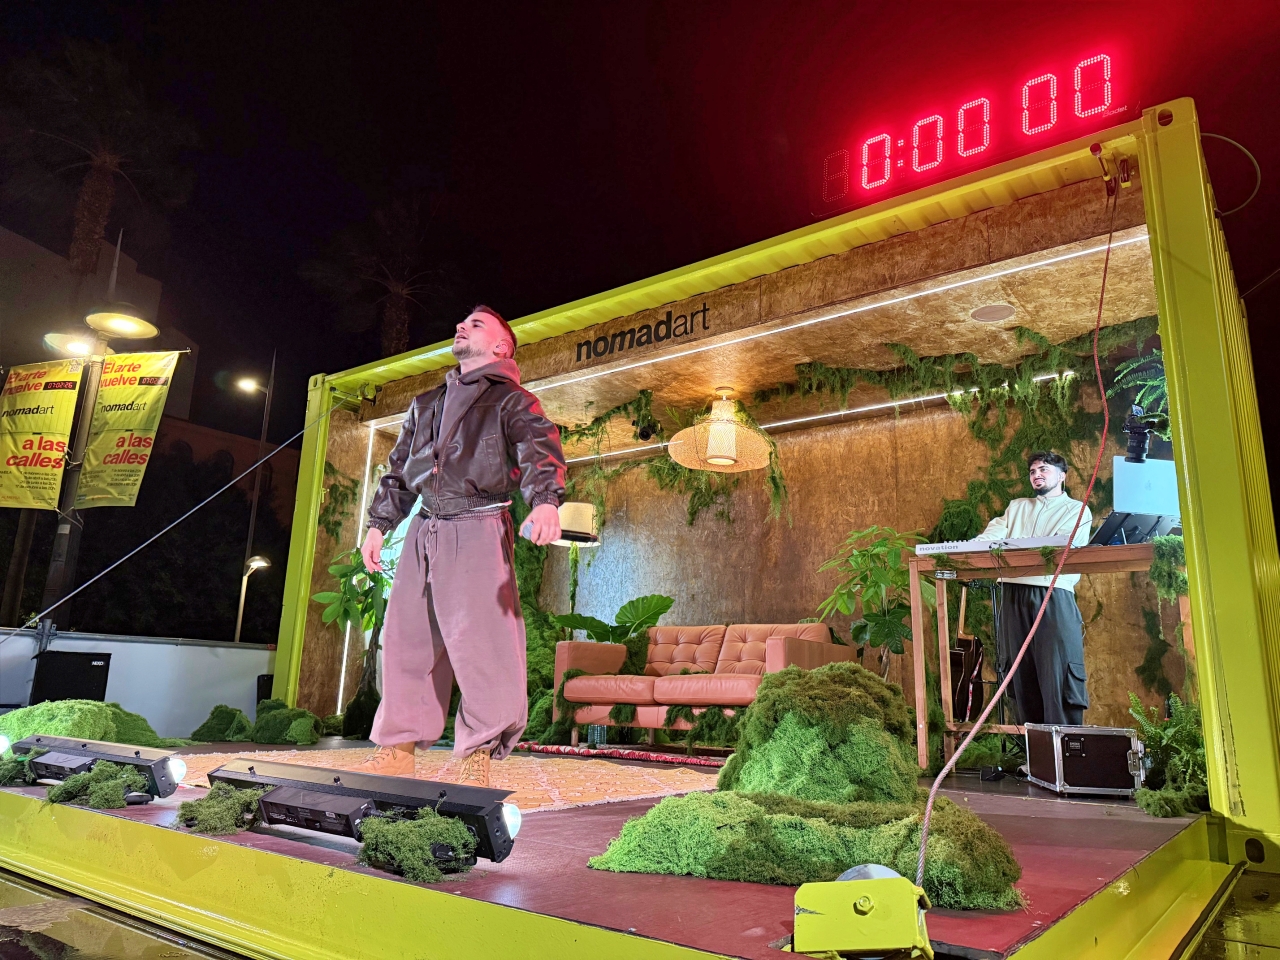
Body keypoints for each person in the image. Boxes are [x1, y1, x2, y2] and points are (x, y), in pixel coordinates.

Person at [357, 305, 566, 786]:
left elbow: (539, 448)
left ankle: (481, 749)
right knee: (407, 639)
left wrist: (545, 501)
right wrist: (378, 525)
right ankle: (398, 747)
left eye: (476, 325)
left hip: (478, 522)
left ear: (501, 346)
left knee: (483, 643)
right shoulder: (426, 403)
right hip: (423, 525)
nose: (460, 326)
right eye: (462, 322)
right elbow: (398, 469)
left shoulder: (512, 401)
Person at [976, 451, 1093, 725]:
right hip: (1012, 592)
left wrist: (1015, 546)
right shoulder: (1016, 507)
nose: (1036, 474)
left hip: (1053, 593)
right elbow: (990, 538)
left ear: (1062, 476)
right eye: (1032, 471)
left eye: (1043, 469)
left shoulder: (1076, 510)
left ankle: (1064, 748)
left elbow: (1063, 545)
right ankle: (1032, 748)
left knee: (1058, 672)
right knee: (1020, 673)